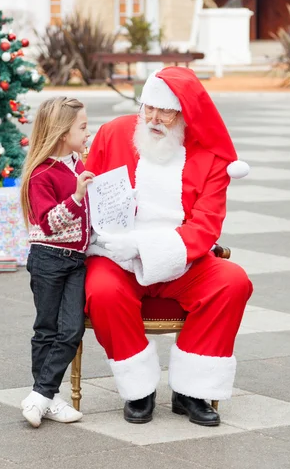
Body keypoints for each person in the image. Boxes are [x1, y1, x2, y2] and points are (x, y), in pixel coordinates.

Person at [85, 66, 253, 427]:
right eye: (148, 108)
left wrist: (147, 247)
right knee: (101, 290)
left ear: (184, 114)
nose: (154, 119)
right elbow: (88, 192)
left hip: (183, 260)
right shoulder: (114, 134)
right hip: (118, 256)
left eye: (165, 111)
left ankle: (191, 389)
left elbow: (206, 227)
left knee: (232, 280)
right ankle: (138, 390)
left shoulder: (208, 155)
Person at [20, 97, 94, 428]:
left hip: (78, 261)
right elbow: (48, 223)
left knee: (73, 329)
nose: (88, 131)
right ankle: (48, 396)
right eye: (82, 126)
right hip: (48, 258)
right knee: (47, 329)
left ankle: (40, 396)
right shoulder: (41, 173)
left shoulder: (79, 165)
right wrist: (77, 197)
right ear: (63, 132)